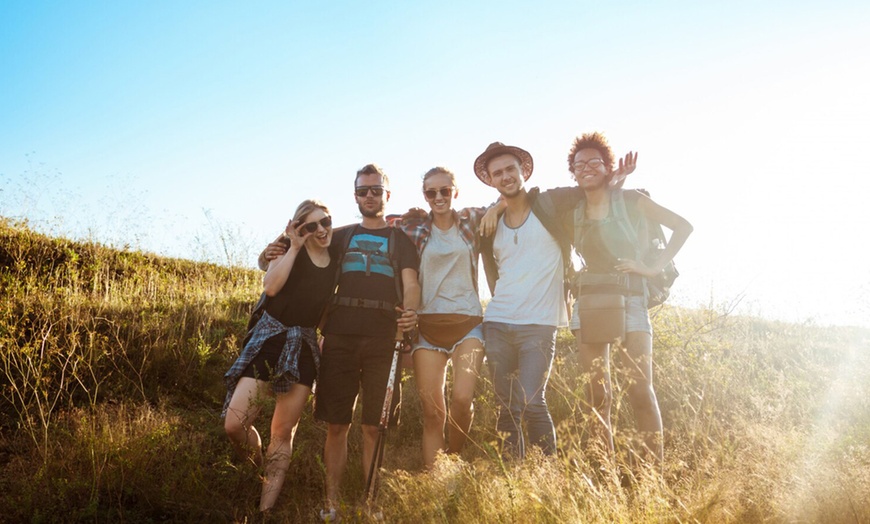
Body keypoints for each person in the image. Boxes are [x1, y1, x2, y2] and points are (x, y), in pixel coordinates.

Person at [264, 164, 420, 521]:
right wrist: (273, 248)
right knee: (337, 424)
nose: (370, 196)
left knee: (373, 428)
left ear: (387, 195)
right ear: (355, 196)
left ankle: (372, 504)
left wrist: (410, 312)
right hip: (338, 338)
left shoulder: (402, 241)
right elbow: (297, 243)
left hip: (385, 339)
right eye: (363, 190)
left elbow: (411, 285)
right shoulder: (338, 236)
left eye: (376, 190)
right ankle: (331, 502)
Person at [567, 132, 692, 466]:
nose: (586, 168)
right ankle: (605, 474)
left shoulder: (633, 200)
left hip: (632, 300)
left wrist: (652, 267)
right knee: (597, 396)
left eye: (595, 162)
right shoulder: (575, 209)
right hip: (590, 303)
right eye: (579, 164)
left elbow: (683, 226)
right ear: (573, 172)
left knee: (640, 390)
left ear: (609, 168)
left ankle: (653, 478)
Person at [223, 199, 336, 513]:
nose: (321, 230)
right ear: (300, 227)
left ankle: (264, 510)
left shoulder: (337, 253)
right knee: (235, 423)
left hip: (304, 344)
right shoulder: (287, 248)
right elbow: (270, 287)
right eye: (312, 225)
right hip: (270, 338)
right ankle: (256, 465)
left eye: (325, 221)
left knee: (282, 431)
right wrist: (294, 247)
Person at [474, 142, 583, 460]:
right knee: (506, 405)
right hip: (497, 322)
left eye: (510, 169)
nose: (505, 176)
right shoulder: (489, 224)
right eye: (498, 173)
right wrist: (496, 208)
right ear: (491, 181)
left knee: (534, 401)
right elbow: (491, 273)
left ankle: (547, 476)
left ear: (523, 171)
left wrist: (615, 180)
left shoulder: (550, 204)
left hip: (539, 325)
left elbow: (587, 191)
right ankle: (514, 478)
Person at [389, 167, 497, 469]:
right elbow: (377, 225)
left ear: (455, 192)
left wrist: (498, 207)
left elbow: (507, 203)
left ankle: (453, 459)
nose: (438, 197)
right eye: (431, 192)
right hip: (428, 327)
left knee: (462, 399)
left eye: (445, 191)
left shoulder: (472, 220)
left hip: (468, 324)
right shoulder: (415, 228)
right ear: (425, 195)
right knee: (433, 412)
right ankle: (437, 481)